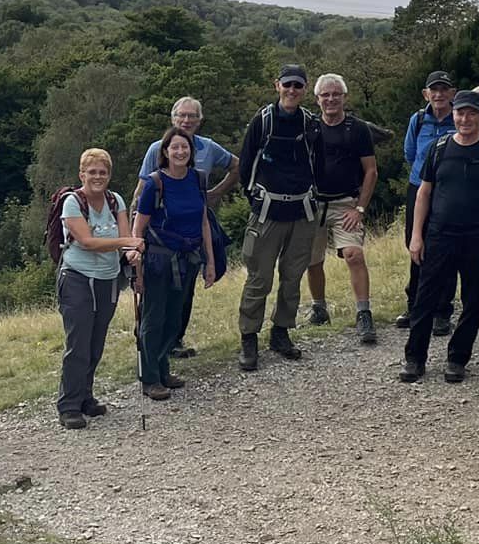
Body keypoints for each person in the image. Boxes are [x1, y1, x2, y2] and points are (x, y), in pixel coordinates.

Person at [400, 90, 479, 382]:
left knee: (473, 301)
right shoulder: (438, 149)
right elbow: (424, 193)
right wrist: (416, 236)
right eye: (460, 113)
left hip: (478, 238)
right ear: (454, 115)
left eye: (472, 113)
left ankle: (457, 359)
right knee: (425, 299)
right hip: (439, 236)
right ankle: (415, 358)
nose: (465, 119)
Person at [137, 97, 239, 360]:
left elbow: (237, 165)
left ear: (200, 119)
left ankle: (174, 340)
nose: (186, 120)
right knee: (158, 292)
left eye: (192, 116)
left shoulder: (209, 148)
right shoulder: (157, 149)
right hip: (161, 234)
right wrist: (133, 228)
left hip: (195, 228)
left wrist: (215, 193)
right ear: (173, 119)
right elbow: (142, 188)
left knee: (186, 288)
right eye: (181, 115)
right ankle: (150, 346)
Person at [235, 65, 319, 372]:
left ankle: (281, 333)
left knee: (292, 277)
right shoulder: (263, 120)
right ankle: (249, 337)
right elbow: (245, 162)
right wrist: (253, 198)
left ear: (305, 89)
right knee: (259, 278)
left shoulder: (310, 122)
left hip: (302, 212)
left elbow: (318, 161)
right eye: (288, 85)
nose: (292, 90)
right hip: (268, 212)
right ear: (277, 85)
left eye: (298, 85)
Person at [132, 127, 220, 399]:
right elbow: (138, 230)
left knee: (174, 320)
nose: (180, 152)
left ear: (191, 152)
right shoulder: (153, 184)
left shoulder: (198, 179)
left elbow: (204, 221)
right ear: (166, 152)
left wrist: (210, 262)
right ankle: (149, 378)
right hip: (158, 261)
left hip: (188, 260)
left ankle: (162, 369)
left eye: (185, 147)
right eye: (175, 148)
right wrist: (137, 269)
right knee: (153, 318)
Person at [54, 147, 137, 426]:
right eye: (92, 172)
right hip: (77, 278)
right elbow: (87, 242)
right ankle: (68, 405)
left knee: (95, 342)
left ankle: (85, 396)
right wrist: (127, 245)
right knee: (78, 343)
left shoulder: (116, 201)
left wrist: (132, 252)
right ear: (82, 174)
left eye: (102, 172)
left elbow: (126, 239)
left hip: (108, 279)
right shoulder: (72, 203)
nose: (97, 177)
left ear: (109, 175)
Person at [303, 73, 379, 345]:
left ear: (345, 97)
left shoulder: (357, 129)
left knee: (354, 255)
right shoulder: (309, 127)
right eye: (325, 95)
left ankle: (363, 313)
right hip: (313, 203)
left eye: (336, 94)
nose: (331, 99)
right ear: (317, 99)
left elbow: (371, 171)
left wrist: (359, 208)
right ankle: (319, 308)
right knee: (312, 260)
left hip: (346, 202)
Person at [396, 72, 458, 334]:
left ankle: (443, 311)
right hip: (419, 187)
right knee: (416, 243)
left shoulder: (460, 117)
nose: (439, 94)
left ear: (452, 93)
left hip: (451, 190)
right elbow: (410, 153)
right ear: (426, 93)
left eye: (444, 89)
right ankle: (416, 306)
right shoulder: (418, 119)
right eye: (434, 89)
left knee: (447, 247)